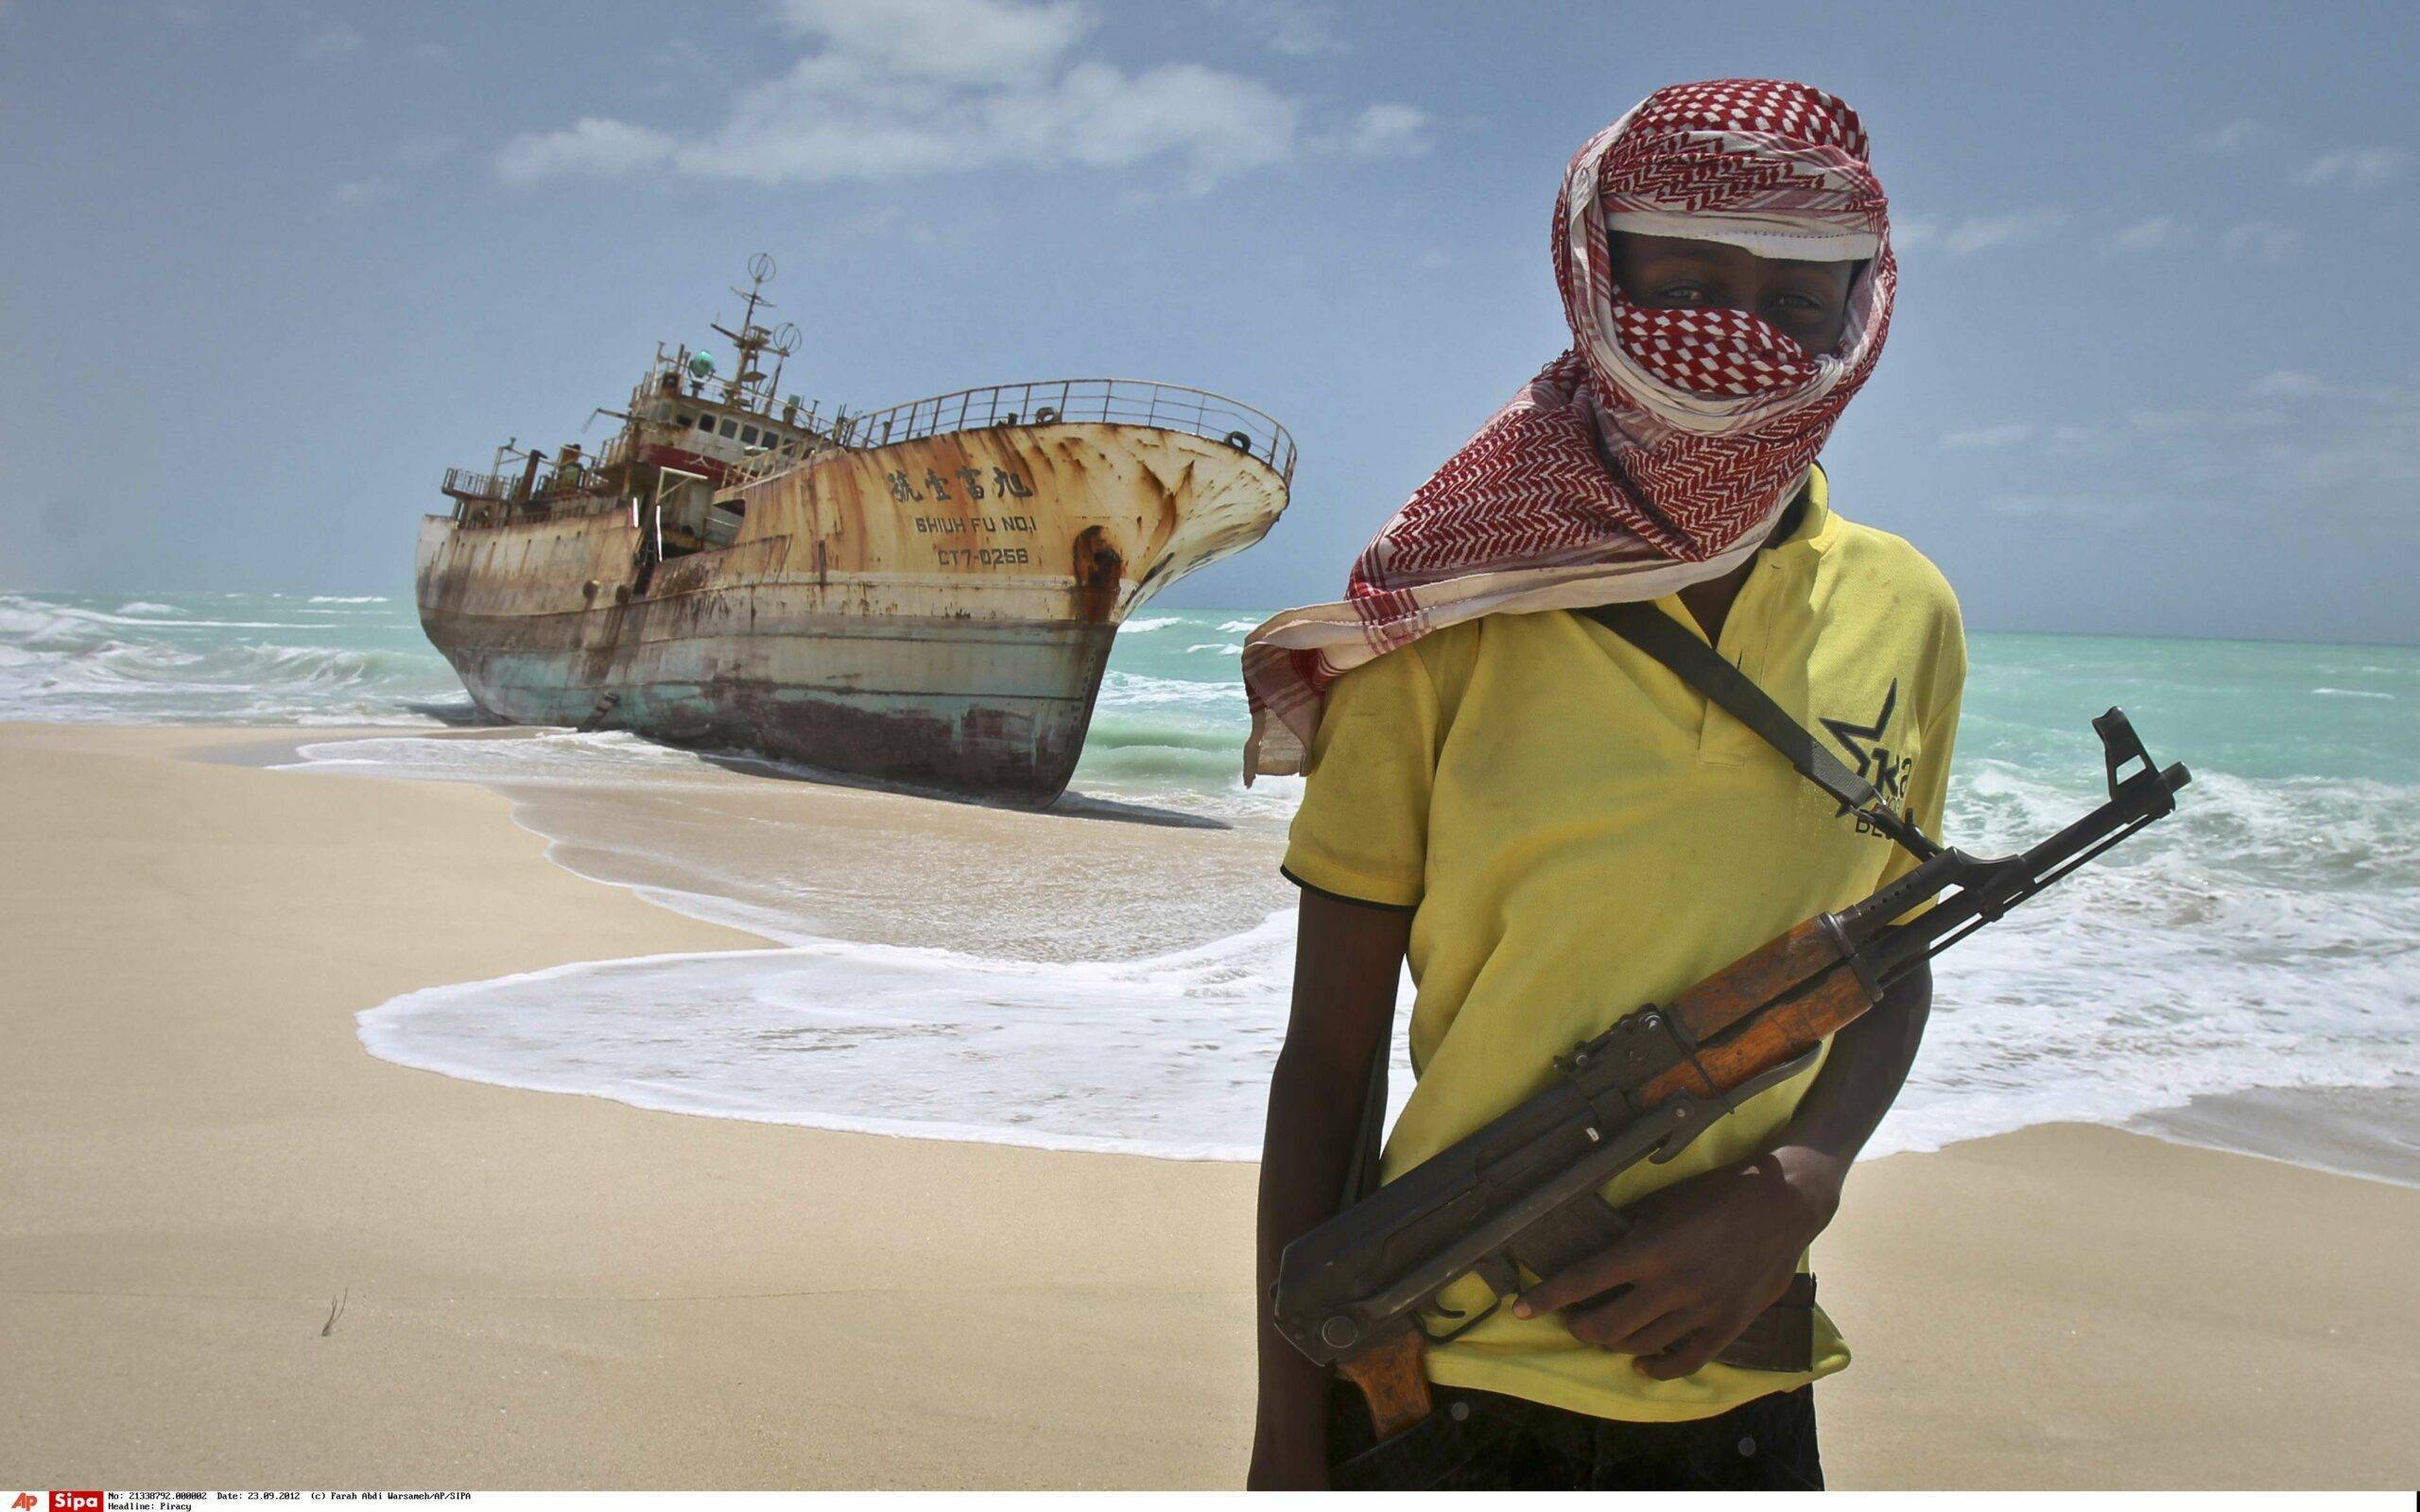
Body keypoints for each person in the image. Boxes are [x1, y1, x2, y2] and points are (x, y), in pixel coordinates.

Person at [1240, 79, 1965, 1491]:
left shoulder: (1908, 611)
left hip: (1738, 1380)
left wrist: (1800, 1184)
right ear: (1596, 279)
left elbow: (1892, 950)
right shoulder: (1442, 617)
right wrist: (1285, 1448)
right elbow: (1325, 1068)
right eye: (1688, 282)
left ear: (1857, 319)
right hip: (1428, 1386)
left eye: (1796, 302)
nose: (1739, 336)